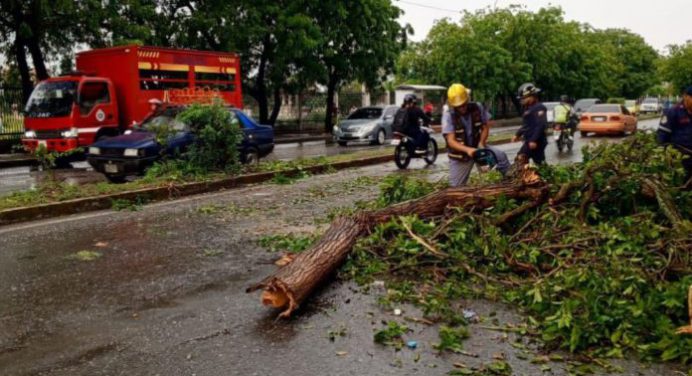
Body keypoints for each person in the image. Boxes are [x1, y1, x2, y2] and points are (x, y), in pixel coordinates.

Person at [442, 83, 510, 187]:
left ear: (467, 99)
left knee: (500, 156)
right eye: (459, 106)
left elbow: (485, 127)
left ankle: (510, 182)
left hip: (478, 148)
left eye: (464, 104)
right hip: (460, 155)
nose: (462, 108)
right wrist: (468, 150)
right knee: (456, 188)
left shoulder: (477, 107)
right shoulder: (448, 116)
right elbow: (451, 141)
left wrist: (481, 143)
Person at [658, 85, 692, 184]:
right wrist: (664, 160)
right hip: (679, 161)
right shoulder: (673, 112)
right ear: (686, 97)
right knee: (681, 189)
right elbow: (662, 138)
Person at [511, 82, 548, 165]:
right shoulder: (528, 109)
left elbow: (540, 125)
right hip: (529, 140)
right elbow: (526, 125)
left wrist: (533, 140)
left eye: (524, 98)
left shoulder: (539, 107)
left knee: (520, 159)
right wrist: (518, 134)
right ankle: (544, 175)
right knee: (539, 163)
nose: (522, 100)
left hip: (537, 141)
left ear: (532, 96)